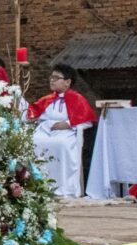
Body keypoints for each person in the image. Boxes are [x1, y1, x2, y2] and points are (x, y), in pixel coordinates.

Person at [26, 63, 96, 199]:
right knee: (32, 142)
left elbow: (87, 120)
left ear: (68, 82)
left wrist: (68, 124)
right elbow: (32, 114)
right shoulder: (46, 99)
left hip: (66, 132)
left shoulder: (78, 99)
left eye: (56, 77)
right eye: (51, 77)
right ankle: (37, 185)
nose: (51, 80)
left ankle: (64, 187)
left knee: (62, 144)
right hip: (45, 131)